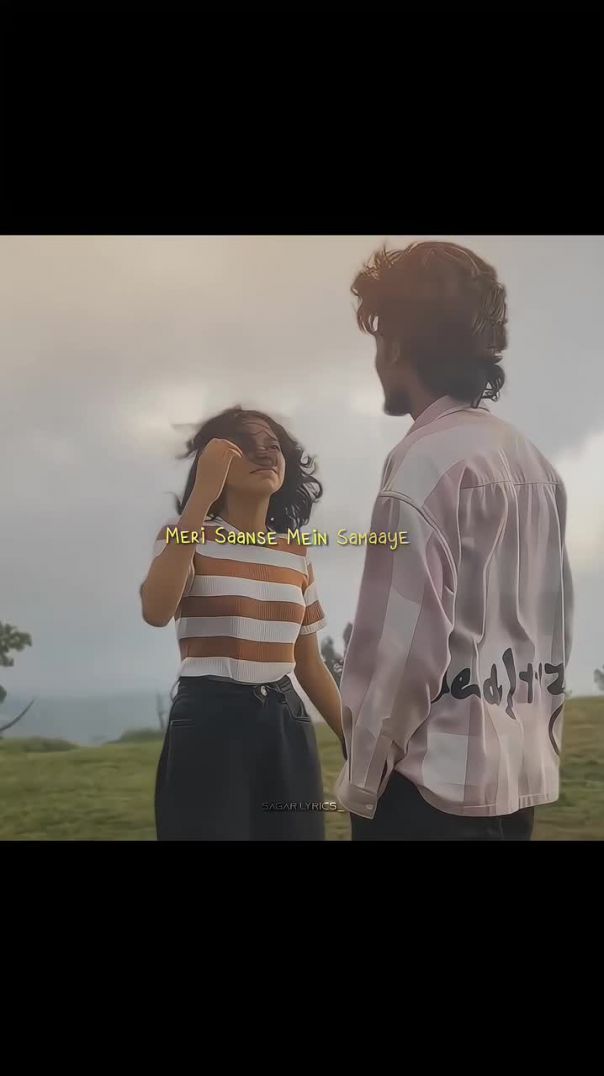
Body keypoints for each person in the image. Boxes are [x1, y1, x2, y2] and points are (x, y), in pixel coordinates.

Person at [335, 241, 574, 841]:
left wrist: (362, 783)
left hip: (428, 796)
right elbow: (551, 626)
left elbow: (400, 656)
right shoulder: (533, 463)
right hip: (514, 785)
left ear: (397, 344)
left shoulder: (421, 466)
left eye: (379, 338)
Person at [140, 405, 343, 840]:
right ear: (216, 458)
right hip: (208, 720)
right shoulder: (185, 536)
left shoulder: (295, 553)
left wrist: (354, 738)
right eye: (246, 444)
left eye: (274, 445)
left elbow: (310, 664)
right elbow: (156, 611)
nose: (265, 453)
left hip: (287, 724)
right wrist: (202, 497)